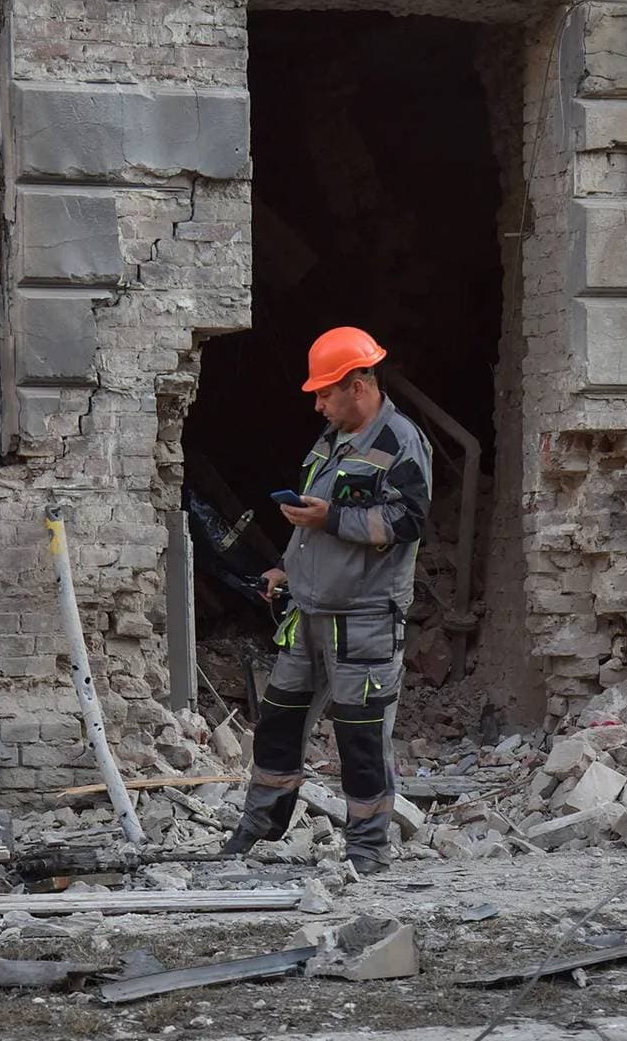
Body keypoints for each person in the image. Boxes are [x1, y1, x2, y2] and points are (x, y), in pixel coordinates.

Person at [223, 326, 432, 874]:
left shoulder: (400, 444)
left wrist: (330, 517)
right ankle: (259, 829)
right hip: (307, 612)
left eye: (325, 393)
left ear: (359, 384)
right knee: (277, 723)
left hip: (363, 619)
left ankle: (366, 850)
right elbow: (310, 528)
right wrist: (285, 568)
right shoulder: (331, 441)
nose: (317, 405)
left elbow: (407, 521)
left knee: (361, 738)